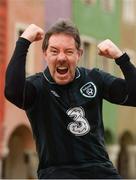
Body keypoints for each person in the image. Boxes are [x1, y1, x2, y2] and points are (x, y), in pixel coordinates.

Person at [4, 19, 136, 179]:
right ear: (45, 54)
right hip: (57, 173)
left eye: (68, 51)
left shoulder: (94, 78)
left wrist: (120, 57)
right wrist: (23, 42)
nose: (61, 57)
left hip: (101, 171)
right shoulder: (36, 87)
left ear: (79, 54)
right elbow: (12, 91)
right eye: (54, 51)